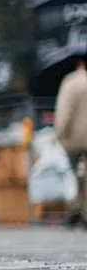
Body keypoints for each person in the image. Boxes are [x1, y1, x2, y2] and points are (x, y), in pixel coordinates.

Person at [54, 58, 87, 227]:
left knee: (73, 176)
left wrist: (58, 134)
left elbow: (64, 112)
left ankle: (76, 211)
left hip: (73, 140)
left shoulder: (70, 82)